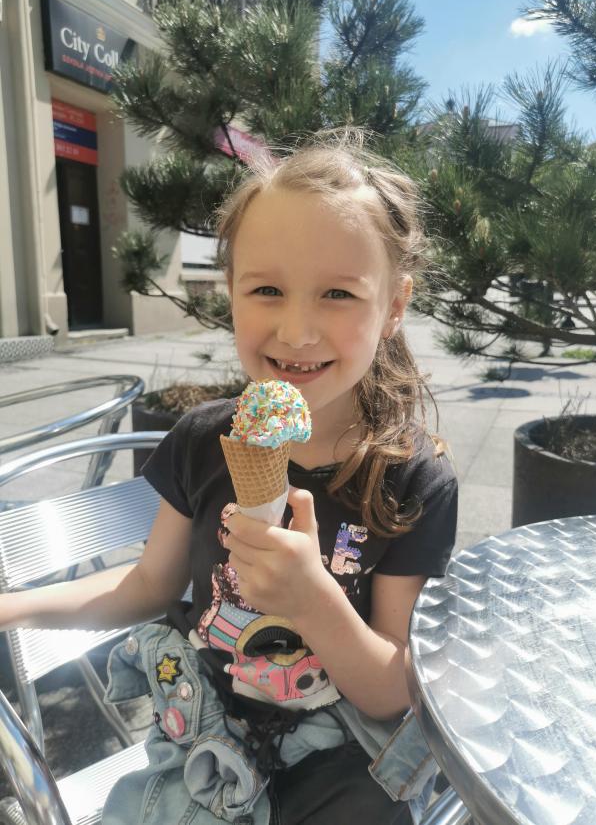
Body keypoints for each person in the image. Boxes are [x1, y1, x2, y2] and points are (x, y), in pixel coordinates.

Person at [0, 130, 457, 824]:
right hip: (201, 734)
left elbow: (392, 688)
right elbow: (147, 585)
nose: (297, 331)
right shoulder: (202, 440)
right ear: (230, 293)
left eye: (338, 293)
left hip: (343, 762)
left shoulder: (414, 480)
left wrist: (314, 601)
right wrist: (14, 607)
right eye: (267, 289)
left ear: (394, 305)